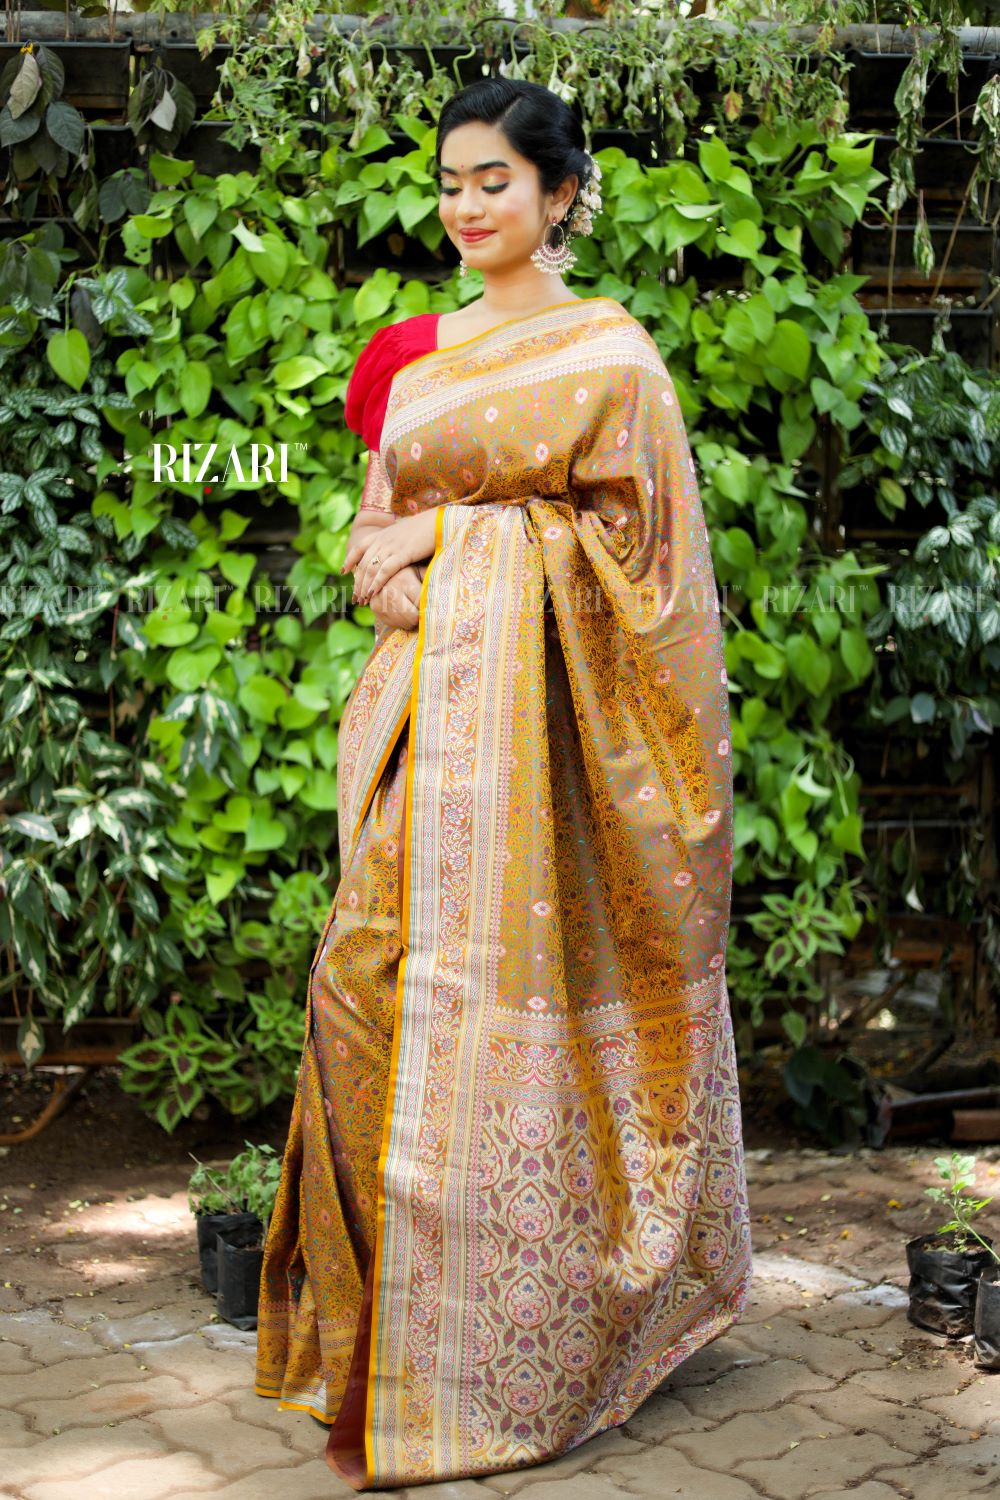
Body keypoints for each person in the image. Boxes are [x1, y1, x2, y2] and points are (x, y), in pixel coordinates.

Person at [255, 76, 753, 1491]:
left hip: (554, 767)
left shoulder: (610, 357)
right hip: (423, 741)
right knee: (357, 995)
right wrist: (407, 571)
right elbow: (372, 546)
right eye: (452, 182)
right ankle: (383, 1344)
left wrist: (461, 545)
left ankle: (522, 1346)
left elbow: (651, 578)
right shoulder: (413, 364)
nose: (468, 206)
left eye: (496, 181)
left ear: (559, 194)